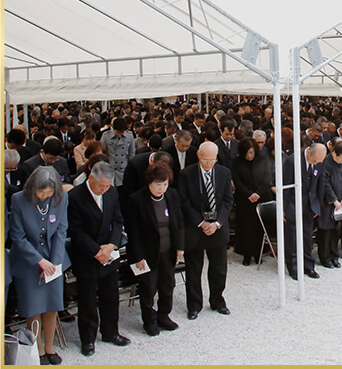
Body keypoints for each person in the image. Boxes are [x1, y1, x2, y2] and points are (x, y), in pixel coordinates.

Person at [68, 162, 130, 357]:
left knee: (111, 296)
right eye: (100, 186)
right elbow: (76, 230)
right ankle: (87, 339)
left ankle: (111, 332)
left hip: (108, 252)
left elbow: (118, 220)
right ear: (91, 178)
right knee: (87, 300)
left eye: (107, 186)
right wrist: (96, 251)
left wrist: (112, 245)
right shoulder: (75, 196)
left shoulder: (111, 192)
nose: (104, 189)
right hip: (87, 253)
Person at [9, 167, 70, 365]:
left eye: (48, 193)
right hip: (29, 259)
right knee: (34, 306)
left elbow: (61, 231)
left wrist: (54, 261)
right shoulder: (19, 199)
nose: (44, 196)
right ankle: (38, 348)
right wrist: (39, 261)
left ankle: (50, 346)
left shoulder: (61, 199)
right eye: (40, 192)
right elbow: (17, 236)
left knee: (52, 305)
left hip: (53, 258)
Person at [125, 163, 184, 336]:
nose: (162, 188)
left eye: (165, 184)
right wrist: (138, 256)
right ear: (150, 182)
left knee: (168, 285)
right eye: (158, 184)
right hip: (147, 252)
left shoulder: (172, 195)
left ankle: (164, 315)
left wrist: (180, 246)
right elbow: (133, 232)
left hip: (168, 250)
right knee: (148, 288)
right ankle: (149, 320)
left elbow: (179, 222)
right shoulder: (137, 199)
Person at [178, 141, 233, 319]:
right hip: (196, 228)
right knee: (194, 268)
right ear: (198, 156)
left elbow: (227, 201)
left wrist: (217, 223)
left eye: (212, 160)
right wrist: (201, 222)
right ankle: (194, 305)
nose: (209, 163)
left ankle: (217, 300)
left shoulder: (224, 173)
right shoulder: (186, 174)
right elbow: (183, 201)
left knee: (219, 268)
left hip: (217, 226)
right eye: (205, 160)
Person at [283, 142, 327, 279]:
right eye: (314, 161)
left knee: (307, 237)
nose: (316, 164)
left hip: (310, 203)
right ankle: (293, 267)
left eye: (319, 162)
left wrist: (317, 205)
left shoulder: (319, 159)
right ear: (308, 152)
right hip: (293, 203)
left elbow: (321, 182)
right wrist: (284, 208)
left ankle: (308, 266)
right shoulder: (292, 161)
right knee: (292, 237)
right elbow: (285, 184)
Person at [232, 138, 274, 266]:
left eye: (252, 152)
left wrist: (258, 193)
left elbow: (267, 178)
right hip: (244, 200)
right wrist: (248, 194)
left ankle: (258, 253)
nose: (249, 156)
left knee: (258, 228)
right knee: (245, 228)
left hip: (261, 198)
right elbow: (237, 180)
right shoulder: (236, 162)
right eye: (247, 153)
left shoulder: (263, 159)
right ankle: (246, 255)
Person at [317, 140, 342, 268]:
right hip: (328, 203)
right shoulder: (326, 162)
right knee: (326, 232)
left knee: (336, 231)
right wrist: (334, 200)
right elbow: (325, 184)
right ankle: (325, 258)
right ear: (335, 154)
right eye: (341, 158)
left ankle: (334, 255)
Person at [100, 118, 136, 187]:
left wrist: (131, 168)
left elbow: (132, 153)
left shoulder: (129, 136)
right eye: (118, 132)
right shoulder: (106, 136)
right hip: (111, 167)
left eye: (122, 132)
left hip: (123, 168)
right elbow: (101, 152)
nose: (119, 134)